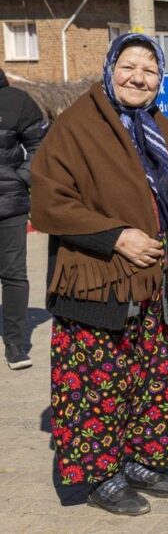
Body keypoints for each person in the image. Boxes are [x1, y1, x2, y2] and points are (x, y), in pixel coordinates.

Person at [30, 33, 168, 516]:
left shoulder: (159, 126)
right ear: (109, 68)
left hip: (150, 279)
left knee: (149, 377)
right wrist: (116, 236)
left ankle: (139, 458)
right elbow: (49, 200)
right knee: (96, 383)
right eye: (129, 66)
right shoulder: (78, 123)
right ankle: (99, 475)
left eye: (150, 70)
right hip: (96, 277)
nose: (139, 77)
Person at [0, 67, 44, 369]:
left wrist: (20, 179)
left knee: (13, 274)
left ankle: (16, 344)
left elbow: (41, 145)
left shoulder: (17, 101)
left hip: (9, 204)